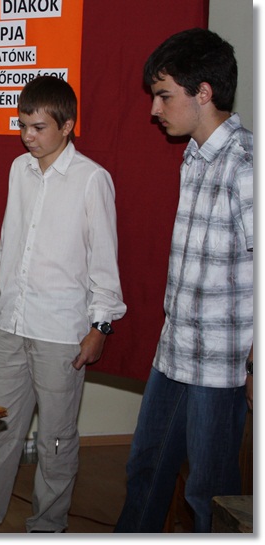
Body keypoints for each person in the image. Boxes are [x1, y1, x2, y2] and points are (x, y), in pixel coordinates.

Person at [0, 75, 126, 533]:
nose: (27, 136)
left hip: (61, 332)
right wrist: (2, 299)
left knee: (55, 440)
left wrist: (100, 327)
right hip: (12, 323)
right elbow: (9, 242)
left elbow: (104, 261)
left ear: (67, 126)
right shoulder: (19, 170)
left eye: (38, 127)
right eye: (23, 125)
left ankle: (47, 528)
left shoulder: (92, 179)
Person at [114, 28, 253, 533]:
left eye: (164, 95)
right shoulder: (193, 157)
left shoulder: (246, 165)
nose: (155, 109)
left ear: (204, 92)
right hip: (174, 354)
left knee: (208, 492)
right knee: (146, 470)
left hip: (221, 365)